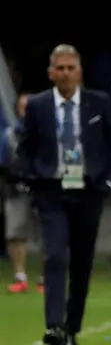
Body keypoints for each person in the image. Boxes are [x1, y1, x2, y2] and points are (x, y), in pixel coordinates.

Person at [17, 44, 111, 345]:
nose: (65, 73)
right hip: (50, 191)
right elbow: (25, 148)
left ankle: (71, 327)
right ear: (51, 73)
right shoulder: (38, 105)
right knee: (54, 255)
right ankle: (53, 326)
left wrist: (108, 182)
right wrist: (30, 179)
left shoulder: (98, 102)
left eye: (70, 67)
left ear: (79, 71)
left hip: (88, 192)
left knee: (81, 262)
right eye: (60, 68)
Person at [2, 93, 42, 294]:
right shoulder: (9, 136)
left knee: (48, 234)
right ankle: (20, 277)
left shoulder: (47, 131)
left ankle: (46, 278)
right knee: (14, 234)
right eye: (23, 106)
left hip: (42, 190)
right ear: (17, 109)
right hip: (16, 191)